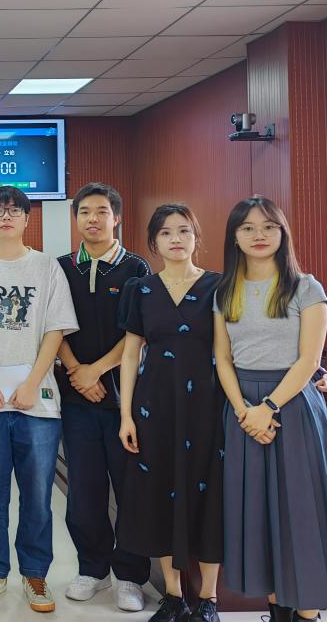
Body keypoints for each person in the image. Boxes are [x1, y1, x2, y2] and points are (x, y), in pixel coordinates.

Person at [213, 196, 327, 622]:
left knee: (300, 511)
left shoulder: (306, 287)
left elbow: (309, 360)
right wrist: (244, 411)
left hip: (292, 405)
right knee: (258, 515)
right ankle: (278, 611)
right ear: (235, 237)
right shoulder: (224, 291)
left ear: (283, 233)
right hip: (243, 410)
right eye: (247, 227)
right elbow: (222, 358)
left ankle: (308, 614)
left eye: (268, 226)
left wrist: (268, 407)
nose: (258, 235)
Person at [0, 186, 79, 614]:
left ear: (28, 219)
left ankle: (35, 573)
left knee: (37, 497)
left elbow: (55, 329)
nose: (6, 216)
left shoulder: (47, 267)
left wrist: (32, 382)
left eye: (14, 210)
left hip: (37, 403)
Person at [117, 204, 223, 622]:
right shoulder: (141, 289)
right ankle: (174, 596)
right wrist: (126, 415)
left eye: (183, 231)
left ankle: (209, 599)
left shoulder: (220, 286)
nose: (175, 239)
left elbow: (242, 346)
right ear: (153, 242)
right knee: (159, 492)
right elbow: (130, 354)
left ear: (196, 237)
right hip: (153, 406)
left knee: (209, 497)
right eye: (165, 232)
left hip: (208, 407)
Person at [56, 183, 152, 611]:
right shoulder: (61, 268)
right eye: (84, 212)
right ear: (75, 218)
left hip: (124, 400)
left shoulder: (136, 267)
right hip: (76, 400)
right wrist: (78, 372)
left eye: (101, 211)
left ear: (117, 218)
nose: (92, 219)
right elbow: (52, 327)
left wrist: (96, 370)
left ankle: (129, 576)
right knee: (84, 490)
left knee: (130, 490)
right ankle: (92, 569)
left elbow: (138, 332)